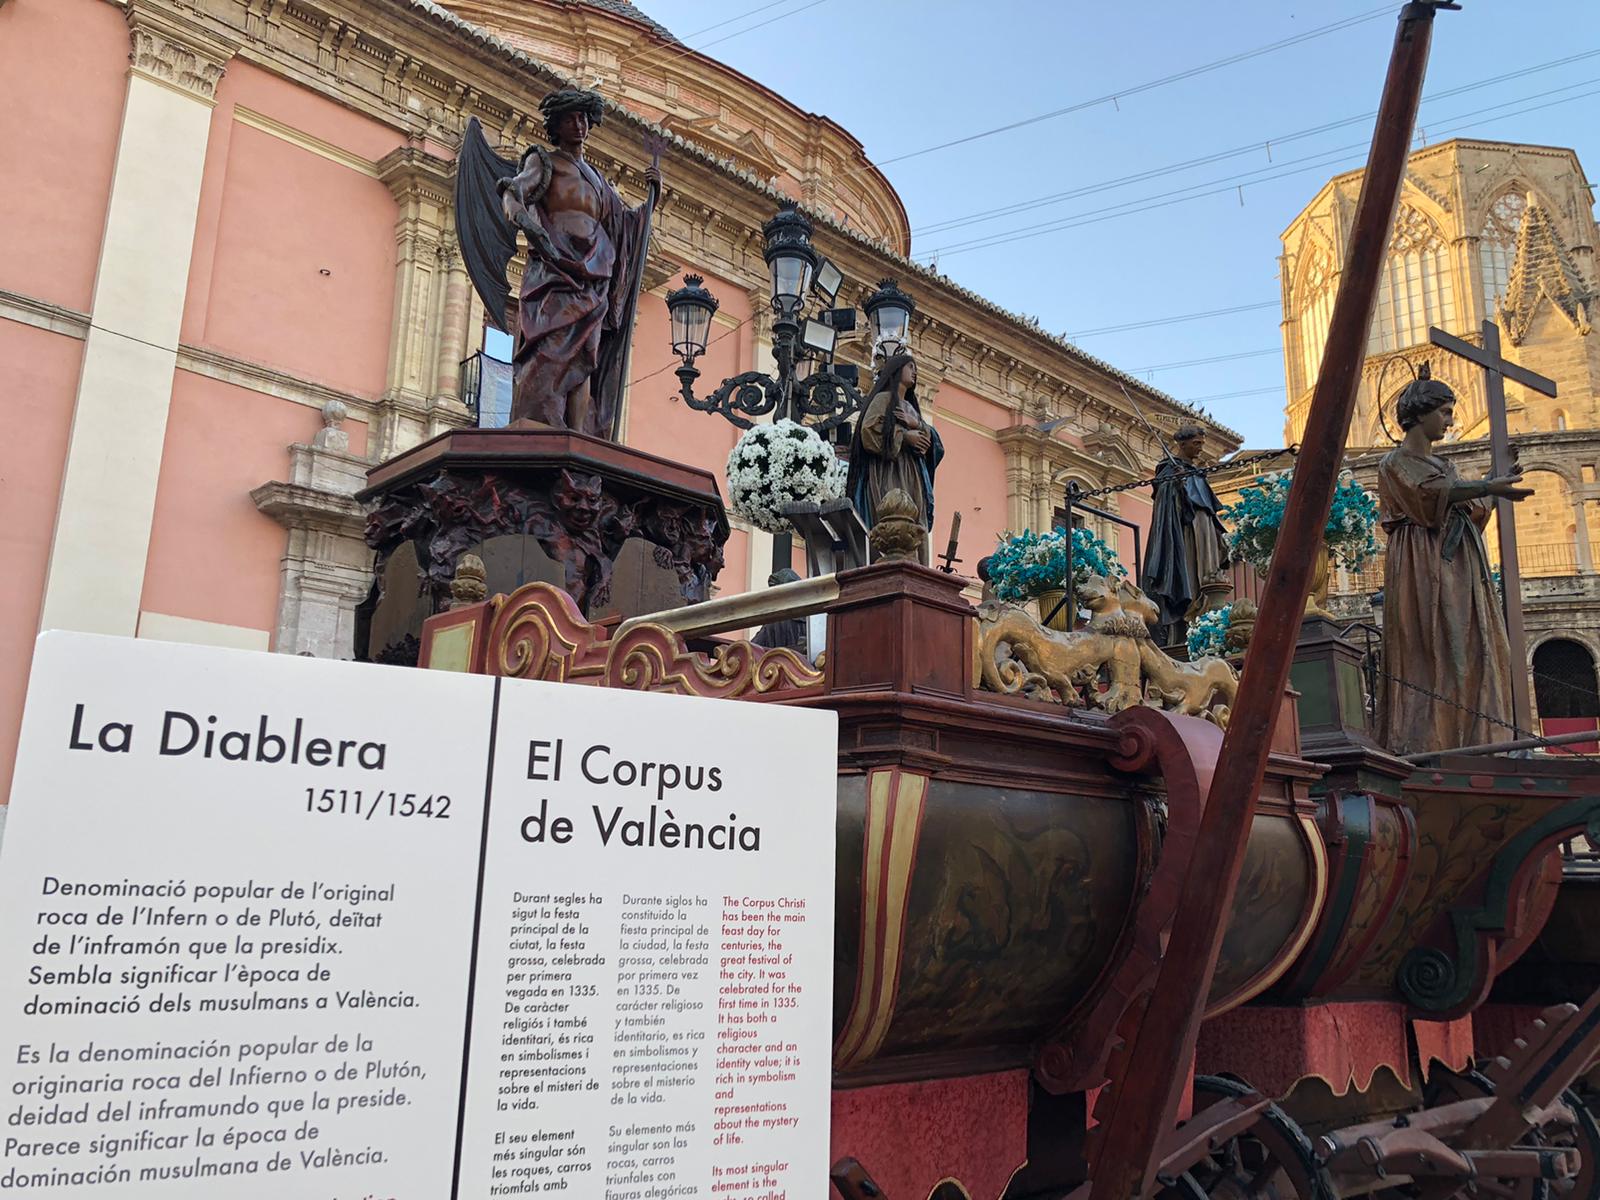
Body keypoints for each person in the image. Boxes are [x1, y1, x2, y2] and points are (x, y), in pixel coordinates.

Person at [486, 89, 659, 437]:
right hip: (556, 270)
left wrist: (649, 205)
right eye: (569, 119)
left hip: (594, 274)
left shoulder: (598, 180)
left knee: (586, 359)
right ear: (556, 125)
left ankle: (579, 436)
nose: (578, 125)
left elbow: (622, 225)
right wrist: (528, 225)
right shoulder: (545, 161)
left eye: (583, 118)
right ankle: (536, 427)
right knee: (548, 352)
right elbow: (514, 190)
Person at [1377, 368, 1532, 755]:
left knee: (1470, 642)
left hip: (1460, 563)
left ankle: (1476, 736)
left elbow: (1469, 508)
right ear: (1418, 414)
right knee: (1430, 645)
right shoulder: (1394, 462)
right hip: (1420, 562)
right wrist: (1484, 485)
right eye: (1444, 412)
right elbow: (1426, 500)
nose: (1450, 420)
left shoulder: (1447, 466)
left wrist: (1495, 488)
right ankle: (1427, 736)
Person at [846, 353, 944, 562]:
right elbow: (868, 431)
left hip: (912, 473)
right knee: (892, 511)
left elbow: (935, 445)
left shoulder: (911, 408)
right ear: (897, 370)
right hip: (889, 469)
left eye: (915, 367)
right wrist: (904, 436)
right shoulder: (883, 399)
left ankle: (916, 564)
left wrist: (917, 425)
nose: (914, 371)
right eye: (910, 366)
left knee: (915, 517)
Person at [1142, 423, 1229, 643]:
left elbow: (1209, 507)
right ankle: (1185, 628)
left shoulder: (1197, 473)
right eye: (1196, 444)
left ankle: (1208, 621)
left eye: (1202, 444)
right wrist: (1177, 486)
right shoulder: (1169, 470)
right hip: (1186, 533)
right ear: (1182, 444)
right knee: (1189, 575)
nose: (1200, 449)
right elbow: (1165, 506)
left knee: (1207, 575)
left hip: (1205, 531)